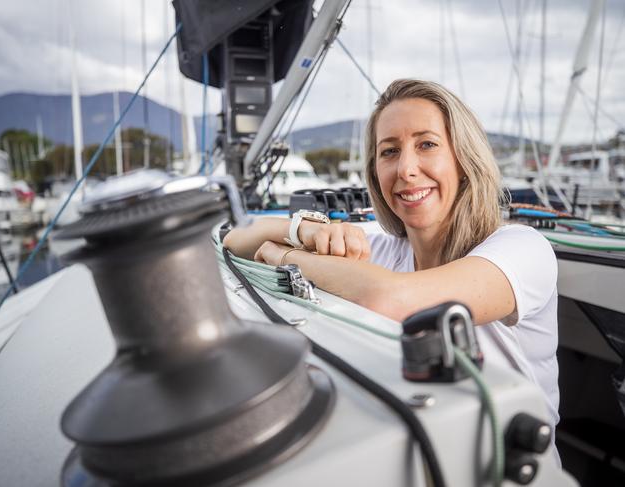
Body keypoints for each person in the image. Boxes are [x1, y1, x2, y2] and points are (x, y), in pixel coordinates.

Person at [223, 79, 560, 438]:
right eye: (389, 151)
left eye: (427, 144)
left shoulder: (523, 249)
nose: (405, 169)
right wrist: (305, 228)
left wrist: (283, 256)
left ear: (464, 160)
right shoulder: (384, 247)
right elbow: (235, 238)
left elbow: (391, 299)